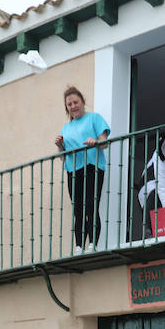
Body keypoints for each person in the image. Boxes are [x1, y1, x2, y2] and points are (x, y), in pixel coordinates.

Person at [54, 85, 111, 252]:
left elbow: (104, 143)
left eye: (75, 102)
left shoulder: (94, 118)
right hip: (72, 170)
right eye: (69, 104)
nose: (73, 106)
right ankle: (79, 246)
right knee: (78, 208)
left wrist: (95, 141)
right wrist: (59, 145)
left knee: (91, 205)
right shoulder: (66, 128)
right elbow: (63, 155)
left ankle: (93, 244)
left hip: (93, 167)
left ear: (83, 102)